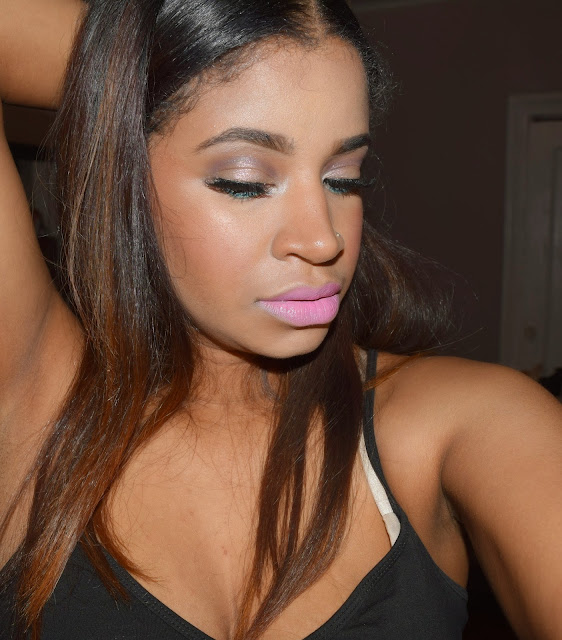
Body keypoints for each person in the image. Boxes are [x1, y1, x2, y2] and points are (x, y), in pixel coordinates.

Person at [0, 0, 561, 638]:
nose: (323, 239)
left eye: (343, 178)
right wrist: (140, 65)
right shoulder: (33, 402)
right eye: (245, 180)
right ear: (122, 171)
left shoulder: (458, 427)